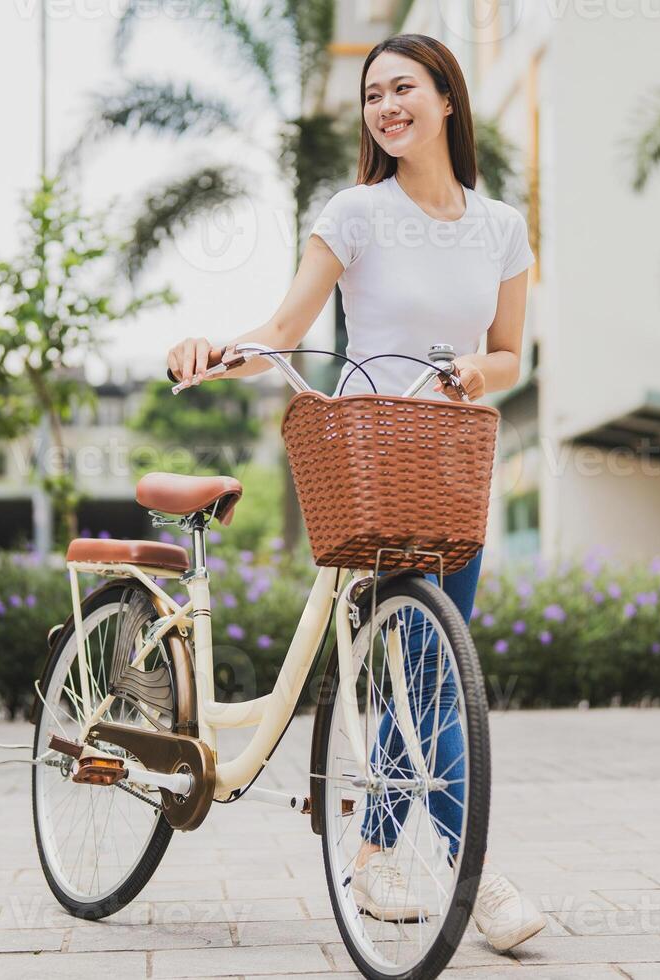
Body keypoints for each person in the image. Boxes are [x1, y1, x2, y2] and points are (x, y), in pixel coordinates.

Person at [167, 33, 545, 952]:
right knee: (428, 686)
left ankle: (373, 853)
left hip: (450, 456)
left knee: (426, 670)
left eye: (403, 88)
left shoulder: (500, 227)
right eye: (374, 94)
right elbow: (288, 326)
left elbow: (510, 355)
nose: (386, 105)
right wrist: (214, 352)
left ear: (446, 99)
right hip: (371, 459)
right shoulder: (356, 212)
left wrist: (472, 372)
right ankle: (479, 881)